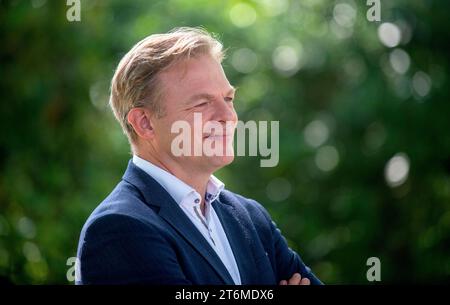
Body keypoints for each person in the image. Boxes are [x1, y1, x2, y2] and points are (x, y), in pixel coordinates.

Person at [76, 27, 322, 285]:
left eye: (228, 98)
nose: (228, 117)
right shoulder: (119, 228)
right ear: (145, 123)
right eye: (202, 104)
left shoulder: (251, 218)